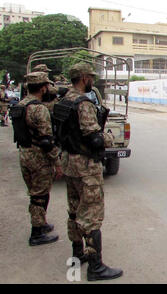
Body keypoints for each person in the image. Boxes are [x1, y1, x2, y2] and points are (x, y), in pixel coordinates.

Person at [55, 62, 122, 281]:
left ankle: (77, 253)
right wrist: (109, 137)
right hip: (85, 165)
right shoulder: (82, 103)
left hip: (68, 162)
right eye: (90, 77)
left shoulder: (63, 100)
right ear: (84, 78)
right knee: (91, 214)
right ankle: (96, 267)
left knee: (74, 209)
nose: (92, 80)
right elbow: (93, 137)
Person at [12, 72, 62, 246]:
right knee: (39, 196)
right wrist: (57, 162)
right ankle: (37, 233)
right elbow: (46, 141)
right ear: (42, 87)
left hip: (25, 154)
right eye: (47, 86)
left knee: (36, 194)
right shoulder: (39, 109)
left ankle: (41, 223)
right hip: (38, 158)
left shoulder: (20, 106)